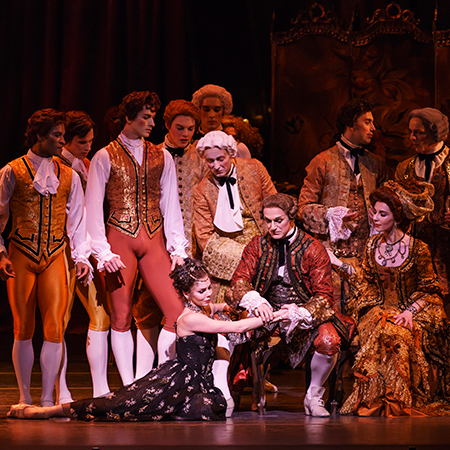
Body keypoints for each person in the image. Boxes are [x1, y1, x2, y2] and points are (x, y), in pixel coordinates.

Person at [7, 259, 287, 421]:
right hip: (177, 381)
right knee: (118, 406)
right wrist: (273, 315)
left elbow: (221, 308)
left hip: (194, 383)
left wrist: (235, 305)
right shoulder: (190, 318)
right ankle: (46, 412)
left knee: (213, 408)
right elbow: (236, 326)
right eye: (201, 291)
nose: (208, 294)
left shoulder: (201, 308)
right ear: (186, 294)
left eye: (209, 288)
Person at [85, 91, 188, 387]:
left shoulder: (161, 155)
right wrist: (102, 252)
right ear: (128, 118)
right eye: (146, 117)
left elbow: (171, 204)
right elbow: (93, 207)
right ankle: (129, 386)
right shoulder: (105, 156)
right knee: (121, 316)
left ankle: (160, 380)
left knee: (176, 312)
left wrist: (177, 247)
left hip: (154, 238)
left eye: (153, 117)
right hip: (120, 239)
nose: (152, 123)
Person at [226, 193, 355, 417]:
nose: (272, 227)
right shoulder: (257, 245)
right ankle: (226, 392)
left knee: (328, 341)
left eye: (279, 220)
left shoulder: (313, 248)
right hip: (266, 315)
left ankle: (314, 396)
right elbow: (239, 280)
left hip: (304, 316)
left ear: (291, 218)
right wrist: (256, 301)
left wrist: (298, 313)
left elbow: (324, 296)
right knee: (225, 328)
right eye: (267, 221)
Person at [0, 109, 92, 407]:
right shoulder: (12, 170)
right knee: (23, 326)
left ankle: (47, 398)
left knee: (54, 326)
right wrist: (1, 253)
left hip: (54, 253)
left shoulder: (69, 175)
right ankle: (25, 396)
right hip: (22, 252)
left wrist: (81, 256)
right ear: (40, 136)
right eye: (57, 135)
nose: (63, 141)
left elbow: (77, 220)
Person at [340, 181, 450, 416]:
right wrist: (341, 266)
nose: (375, 218)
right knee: (387, 329)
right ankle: (376, 399)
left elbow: (431, 289)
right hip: (376, 309)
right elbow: (365, 281)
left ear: (397, 218)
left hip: (410, 311)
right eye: (374, 212)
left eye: (383, 214)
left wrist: (410, 311)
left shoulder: (418, 249)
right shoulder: (372, 245)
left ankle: (397, 399)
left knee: (397, 333)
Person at [131, 99, 206, 379]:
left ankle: (177, 373)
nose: (185, 134)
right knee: (147, 307)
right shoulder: (152, 154)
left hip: (191, 244)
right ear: (167, 125)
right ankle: (143, 375)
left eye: (190, 128)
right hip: (155, 241)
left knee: (184, 308)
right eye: (179, 128)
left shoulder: (201, 158)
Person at [55, 111, 111, 401]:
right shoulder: (57, 167)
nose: (88, 147)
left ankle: (101, 389)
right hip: (64, 247)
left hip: (88, 248)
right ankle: (60, 389)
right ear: (66, 140)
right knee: (59, 319)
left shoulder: (88, 166)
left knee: (101, 315)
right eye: (81, 142)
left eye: (90, 141)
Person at [298, 99, 389, 274]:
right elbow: (303, 208)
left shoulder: (376, 164)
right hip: (331, 255)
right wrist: (331, 215)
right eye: (367, 122)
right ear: (351, 124)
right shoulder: (322, 161)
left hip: (368, 254)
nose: (373, 128)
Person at [395, 108, 450, 305]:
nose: (412, 137)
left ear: (435, 132)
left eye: (419, 132)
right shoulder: (405, 167)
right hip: (417, 247)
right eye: (411, 132)